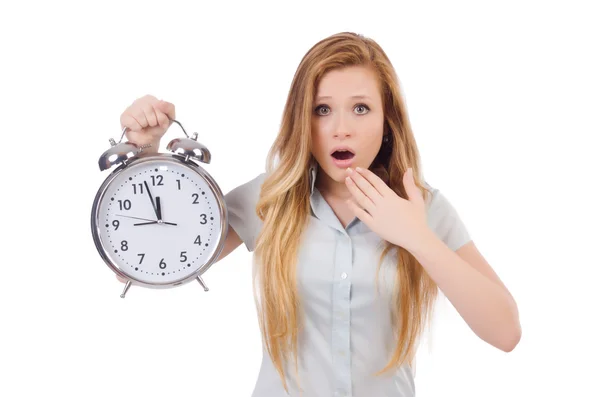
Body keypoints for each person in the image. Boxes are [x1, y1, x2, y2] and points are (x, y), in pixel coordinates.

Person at [118, 32, 521, 397]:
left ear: (387, 122)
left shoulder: (421, 208)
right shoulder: (270, 198)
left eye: (361, 108)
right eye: (322, 109)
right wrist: (146, 156)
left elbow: (506, 333)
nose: (340, 128)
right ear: (303, 122)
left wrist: (417, 237)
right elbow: (141, 265)